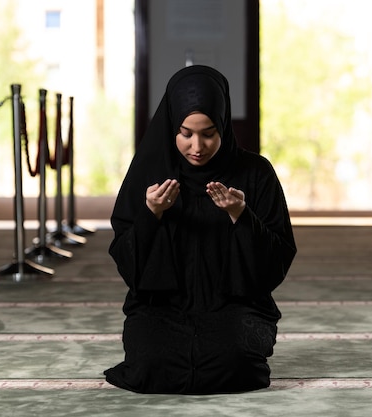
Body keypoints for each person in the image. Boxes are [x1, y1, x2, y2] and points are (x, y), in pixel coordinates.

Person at [104, 65, 296, 394]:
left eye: (208, 133)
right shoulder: (149, 173)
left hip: (236, 305)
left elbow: (278, 255)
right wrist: (152, 214)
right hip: (161, 307)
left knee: (234, 366)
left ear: (223, 124)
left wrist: (240, 215)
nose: (197, 146)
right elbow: (126, 255)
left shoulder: (255, 173)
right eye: (186, 133)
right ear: (171, 129)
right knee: (151, 368)